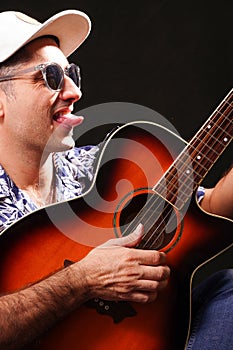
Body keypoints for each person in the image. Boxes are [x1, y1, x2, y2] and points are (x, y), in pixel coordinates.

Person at [0, 9, 231, 350]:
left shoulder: (99, 167)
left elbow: (205, 208)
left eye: (72, 74)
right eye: (50, 76)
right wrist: (82, 279)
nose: (74, 90)